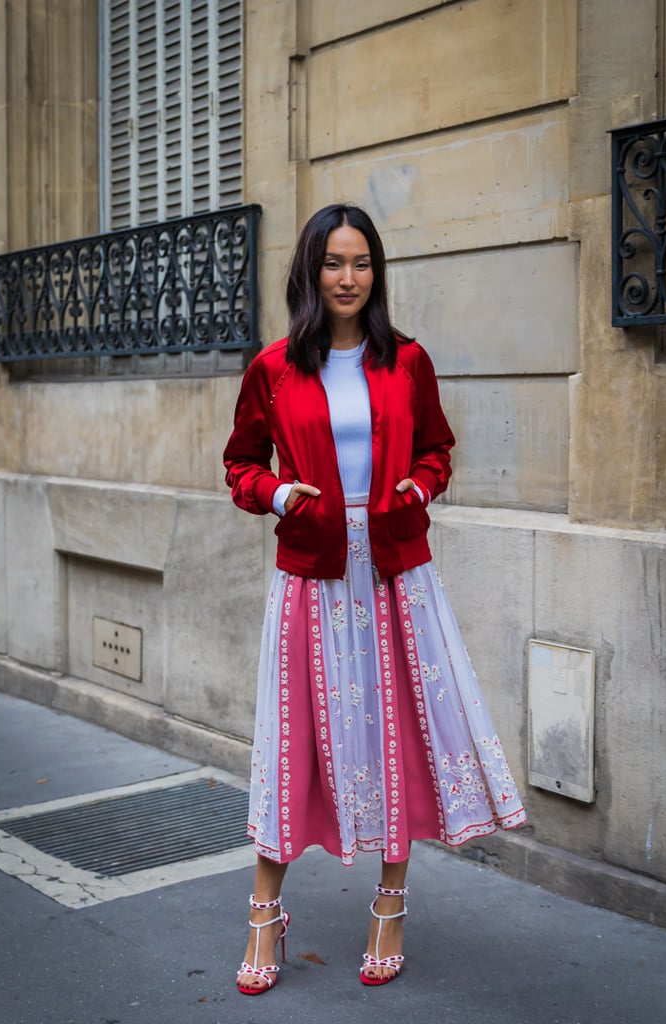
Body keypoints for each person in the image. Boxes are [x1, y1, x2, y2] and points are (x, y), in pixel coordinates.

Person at [223, 203, 526, 995]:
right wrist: (282, 494)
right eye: (332, 263)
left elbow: (436, 451)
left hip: (395, 569)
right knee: (292, 741)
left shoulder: (408, 362)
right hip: (311, 572)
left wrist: (416, 488)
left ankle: (389, 903)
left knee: (396, 735)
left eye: (360, 263)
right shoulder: (274, 368)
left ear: (376, 273)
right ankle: (264, 912)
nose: (347, 278)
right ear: (310, 272)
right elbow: (241, 468)